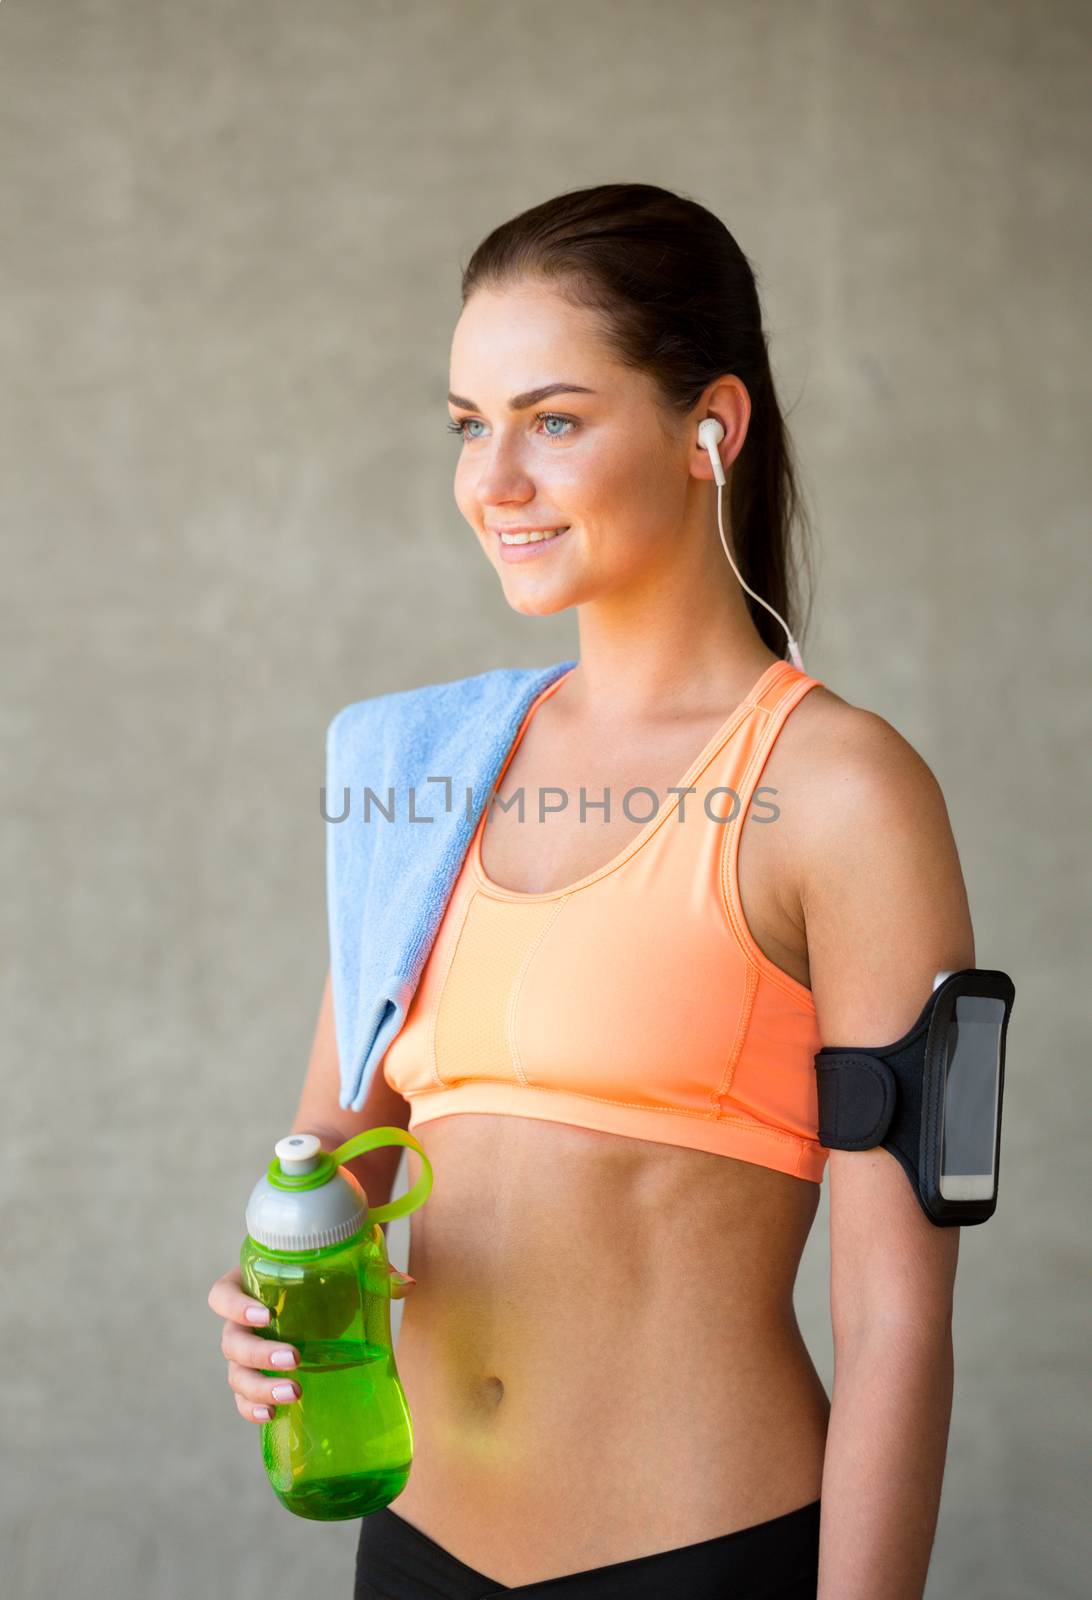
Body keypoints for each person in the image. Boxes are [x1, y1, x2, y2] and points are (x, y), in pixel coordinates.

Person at [209, 183, 971, 1599]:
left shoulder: (846, 793)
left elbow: (896, 1323)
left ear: (711, 427)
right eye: (467, 423)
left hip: (696, 1555)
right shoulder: (419, 772)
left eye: (551, 420)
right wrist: (268, 1292)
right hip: (413, 1540)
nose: (492, 478)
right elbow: (335, 1147)